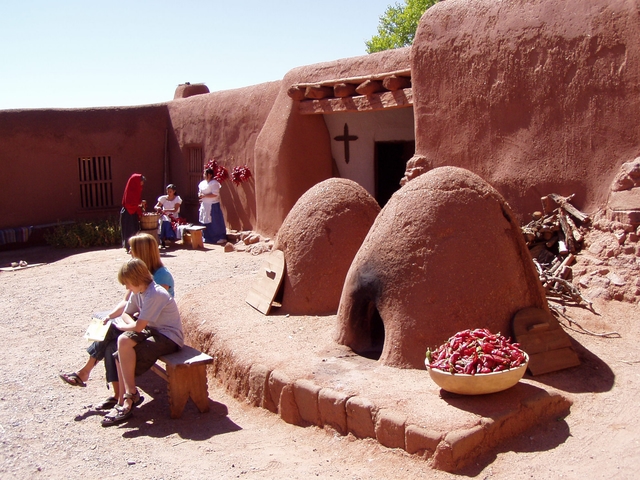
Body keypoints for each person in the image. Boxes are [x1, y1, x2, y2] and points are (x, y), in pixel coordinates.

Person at [58, 233, 174, 410]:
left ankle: (86, 372)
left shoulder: (159, 277)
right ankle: (117, 395)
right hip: (140, 320)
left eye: (132, 250)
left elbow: (149, 309)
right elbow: (127, 302)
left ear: (142, 251)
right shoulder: (137, 274)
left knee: (111, 331)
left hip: (153, 325)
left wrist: (120, 321)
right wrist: (111, 315)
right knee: (109, 335)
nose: (129, 253)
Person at [101, 258, 183, 426]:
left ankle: (128, 400)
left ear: (137, 279)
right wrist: (128, 324)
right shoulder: (138, 292)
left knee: (124, 352)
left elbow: (138, 326)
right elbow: (127, 313)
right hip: (152, 331)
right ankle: (129, 396)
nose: (126, 288)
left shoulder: (155, 294)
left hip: (168, 337)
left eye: (128, 283)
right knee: (122, 345)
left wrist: (125, 325)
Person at [198, 167, 227, 244]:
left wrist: (205, 196)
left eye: (206, 174)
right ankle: (207, 237)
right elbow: (200, 192)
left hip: (213, 205)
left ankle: (220, 237)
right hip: (205, 205)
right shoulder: (202, 183)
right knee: (205, 221)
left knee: (215, 221)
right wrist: (200, 195)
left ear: (210, 175)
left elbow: (215, 194)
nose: (204, 175)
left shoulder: (214, 183)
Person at [120, 173, 146, 252]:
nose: (142, 184)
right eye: (141, 182)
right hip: (128, 213)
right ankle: (129, 247)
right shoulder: (130, 191)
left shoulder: (136, 190)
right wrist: (139, 205)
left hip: (132, 212)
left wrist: (141, 203)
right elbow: (129, 204)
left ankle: (134, 246)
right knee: (129, 230)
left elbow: (136, 202)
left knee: (134, 229)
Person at [154, 184, 182, 248]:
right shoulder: (163, 198)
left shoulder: (177, 199)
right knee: (163, 221)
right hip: (164, 215)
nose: (168, 193)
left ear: (174, 191)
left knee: (167, 221)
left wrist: (166, 210)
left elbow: (175, 209)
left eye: (170, 191)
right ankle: (162, 239)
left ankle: (168, 237)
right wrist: (158, 208)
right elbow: (156, 206)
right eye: (167, 191)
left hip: (173, 217)